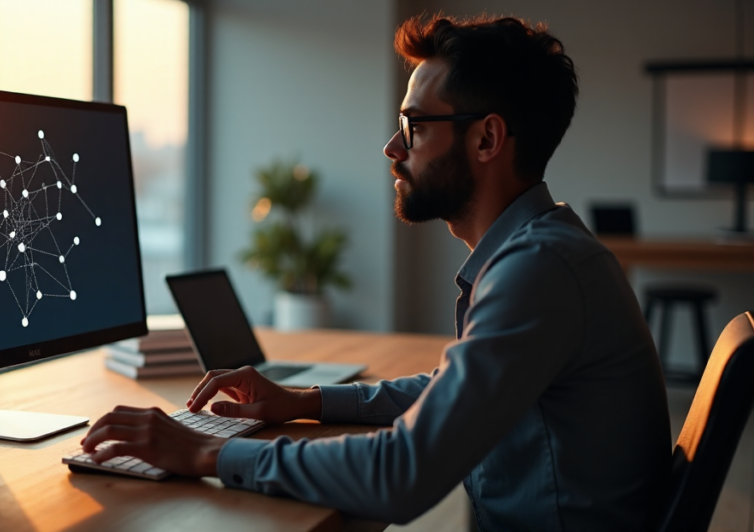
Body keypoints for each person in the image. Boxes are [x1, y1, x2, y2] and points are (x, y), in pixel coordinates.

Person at [83, 13, 671, 531]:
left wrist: (204, 455)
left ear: (487, 138)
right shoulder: (540, 252)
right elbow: (450, 392)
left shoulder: (537, 270)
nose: (393, 146)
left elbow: (401, 471)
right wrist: (303, 401)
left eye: (415, 126)